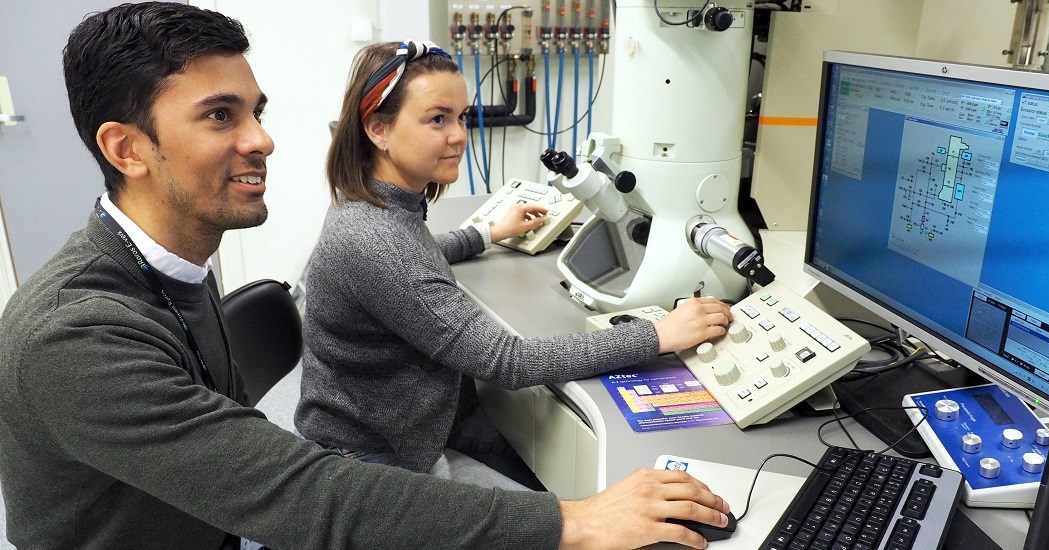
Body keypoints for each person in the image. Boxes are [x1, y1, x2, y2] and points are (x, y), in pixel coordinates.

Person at [0, 3, 733, 549]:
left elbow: (403, 261)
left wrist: (479, 233)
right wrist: (574, 520)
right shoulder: (74, 337)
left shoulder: (173, 270)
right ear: (127, 149)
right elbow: (308, 495)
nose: (262, 139)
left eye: (255, 111)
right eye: (220, 116)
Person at [295, 39, 735, 490]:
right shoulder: (377, 240)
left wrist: (489, 233)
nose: (459, 135)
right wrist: (658, 335)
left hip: (411, 424)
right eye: (437, 119)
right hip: (372, 463)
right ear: (378, 130)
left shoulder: (375, 206)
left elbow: (419, 253)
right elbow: (509, 362)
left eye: (461, 117)